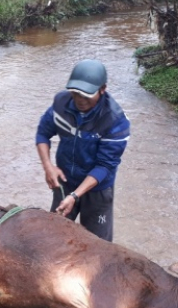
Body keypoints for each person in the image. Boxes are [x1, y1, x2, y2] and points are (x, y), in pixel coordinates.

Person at [35, 59, 131, 242]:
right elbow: (42, 133)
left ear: (103, 89)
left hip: (97, 190)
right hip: (65, 182)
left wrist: (75, 196)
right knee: (53, 238)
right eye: (75, 93)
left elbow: (104, 166)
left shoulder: (115, 121)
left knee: (97, 246)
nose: (80, 99)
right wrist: (48, 167)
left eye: (87, 95)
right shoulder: (61, 104)